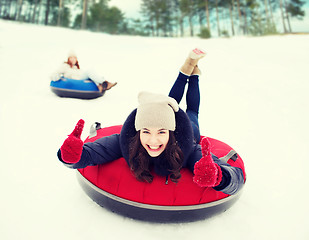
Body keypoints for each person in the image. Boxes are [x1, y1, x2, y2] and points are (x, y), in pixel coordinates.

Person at [57, 48, 244, 195]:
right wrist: (70, 156)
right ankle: (189, 66)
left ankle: (193, 75)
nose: (153, 141)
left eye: (161, 132)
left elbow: (237, 178)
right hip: (164, 116)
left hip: (190, 128)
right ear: (138, 131)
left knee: (191, 110)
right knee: (170, 102)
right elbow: (92, 153)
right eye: (146, 132)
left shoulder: (188, 149)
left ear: (170, 133)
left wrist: (220, 177)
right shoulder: (125, 141)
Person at [51, 50, 117, 92]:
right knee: (89, 70)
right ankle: (105, 83)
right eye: (71, 58)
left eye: (74, 58)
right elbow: (55, 73)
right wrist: (56, 77)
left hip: (81, 79)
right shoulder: (65, 66)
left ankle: (101, 85)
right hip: (76, 80)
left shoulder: (76, 68)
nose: (73, 59)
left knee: (91, 73)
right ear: (68, 59)